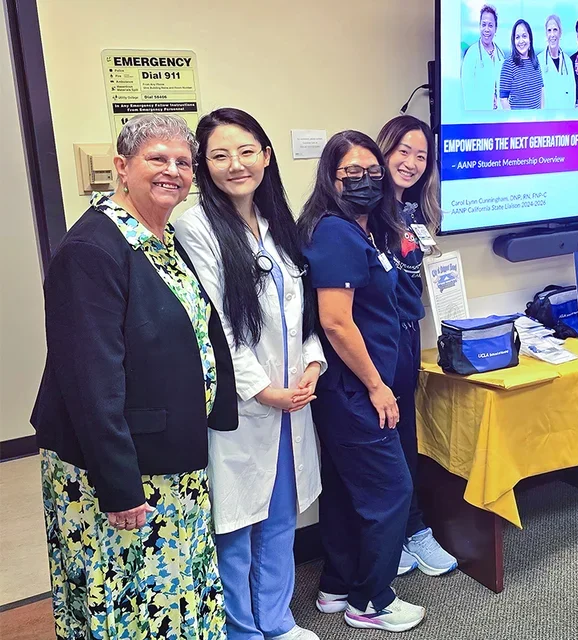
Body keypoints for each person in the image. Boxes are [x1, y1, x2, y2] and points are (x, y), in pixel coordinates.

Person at [31, 113, 238, 639]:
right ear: (122, 167)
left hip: (170, 456)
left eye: (183, 163)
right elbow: (89, 381)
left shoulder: (160, 238)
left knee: (173, 592)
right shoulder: (91, 250)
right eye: (157, 159)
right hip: (122, 468)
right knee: (129, 598)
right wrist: (119, 486)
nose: (173, 171)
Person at [175, 108, 327, 640]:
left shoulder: (277, 222)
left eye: (245, 152)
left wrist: (311, 365)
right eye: (218, 155)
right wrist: (264, 390)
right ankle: (240, 630)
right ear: (203, 165)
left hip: (292, 403)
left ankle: (277, 621)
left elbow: (302, 309)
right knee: (235, 525)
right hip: (242, 406)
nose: (234, 165)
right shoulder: (194, 227)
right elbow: (216, 325)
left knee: (280, 519)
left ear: (265, 155)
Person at [299, 130, 425, 632]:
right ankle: (370, 600)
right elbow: (336, 321)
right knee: (391, 490)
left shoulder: (361, 229)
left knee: (353, 491)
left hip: (352, 388)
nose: (367, 181)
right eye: (352, 173)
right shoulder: (334, 232)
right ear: (330, 177)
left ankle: (336, 585)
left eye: (373, 172)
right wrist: (377, 386)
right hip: (356, 389)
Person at [376, 115, 458, 578]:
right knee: (383, 444)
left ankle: (413, 530)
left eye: (421, 156)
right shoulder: (366, 212)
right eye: (402, 152)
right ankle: (401, 532)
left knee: (406, 439)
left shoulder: (415, 213)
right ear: (383, 151)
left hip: (409, 336)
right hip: (376, 342)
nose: (411, 163)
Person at [461, 4, 505, 111]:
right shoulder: (471, 54)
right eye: (484, 24)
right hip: (478, 114)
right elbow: (466, 91)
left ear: (496, 29)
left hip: (498, 115)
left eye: (490, 25)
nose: (486, 29)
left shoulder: (501, 55)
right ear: (479, 26)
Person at [499, 19, 543, 110]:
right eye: (517, 37)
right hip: (518, 122)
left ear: (530, 39)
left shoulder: (535, 61)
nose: (521, 41)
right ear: (513, 41)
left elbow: (541, 90)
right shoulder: (508, 64)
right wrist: (514, 122)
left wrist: (541, 117)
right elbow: (503, 99)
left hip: (536, 121)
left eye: (524, 36)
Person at [536, 14, 575, 109]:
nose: (552, 34)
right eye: (549, 30)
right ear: (546, 34)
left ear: (560, 33)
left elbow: (572, 92)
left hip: (565, 117)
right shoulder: (538, 61)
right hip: (546, 118)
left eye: (555, 30)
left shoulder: (568, 62)